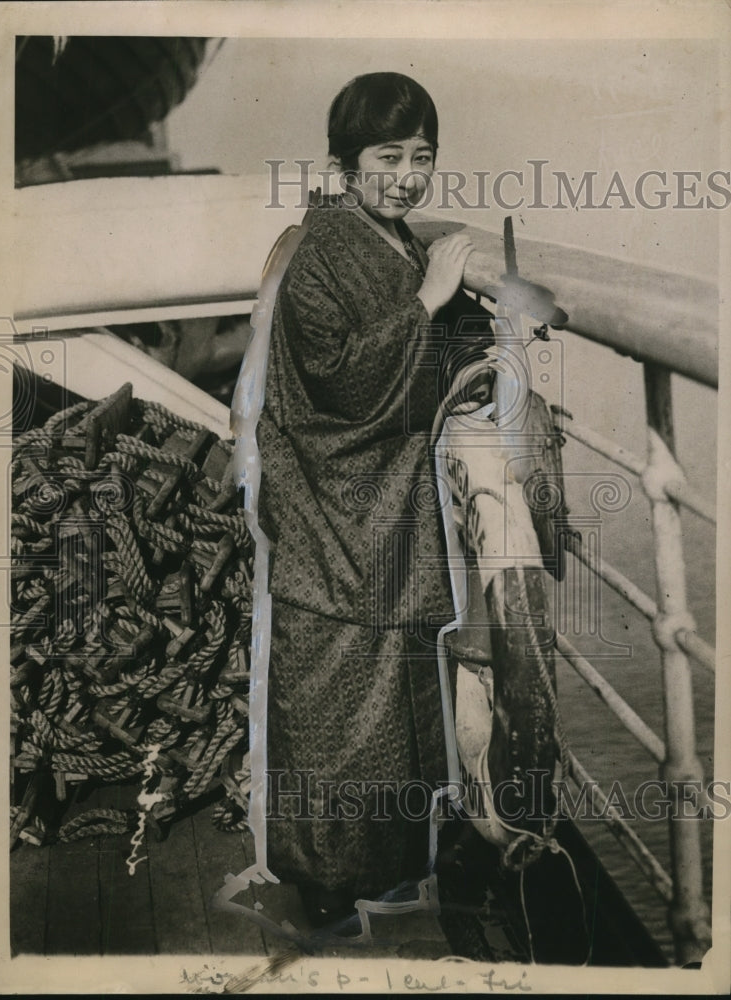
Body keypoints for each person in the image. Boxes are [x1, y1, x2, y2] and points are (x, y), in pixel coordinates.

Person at [256, 72, 493, 925]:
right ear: (344, 163)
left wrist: (463, 318)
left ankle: (380, 867)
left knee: (385, 692)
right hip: (335, 505)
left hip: (375, 504)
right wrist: (428, 300)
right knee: (334, 695)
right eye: (386, 156)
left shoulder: (383, 238)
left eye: (421, 156)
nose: (405, 175)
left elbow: (419, 349)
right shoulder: (328, 248)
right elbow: (337, 381)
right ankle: (324, 886)